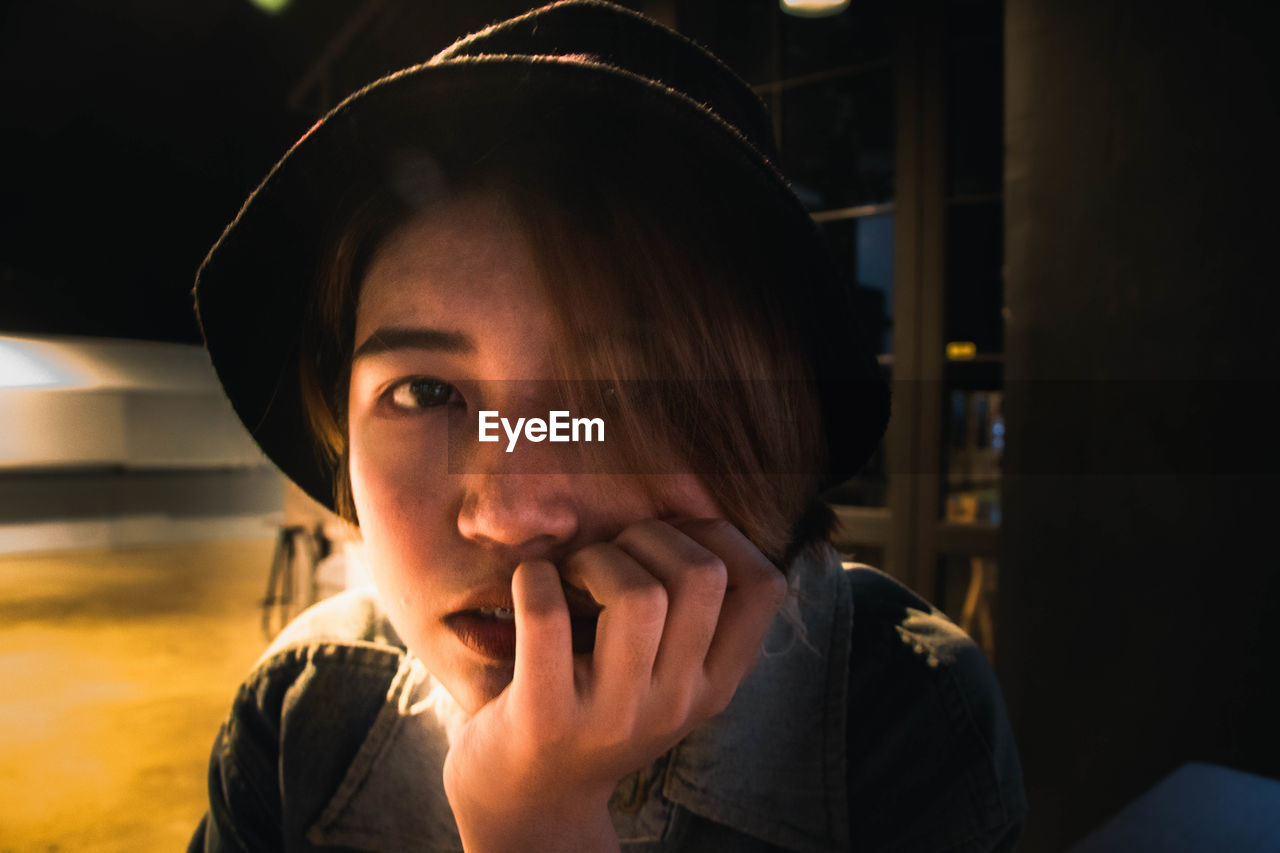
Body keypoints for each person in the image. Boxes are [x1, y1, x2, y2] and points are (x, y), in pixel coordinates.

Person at [189, 2, 1026, 850]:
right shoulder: (303, 709)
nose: (511, 513)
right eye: (426, 394)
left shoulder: (905, 713)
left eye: (628, 392)